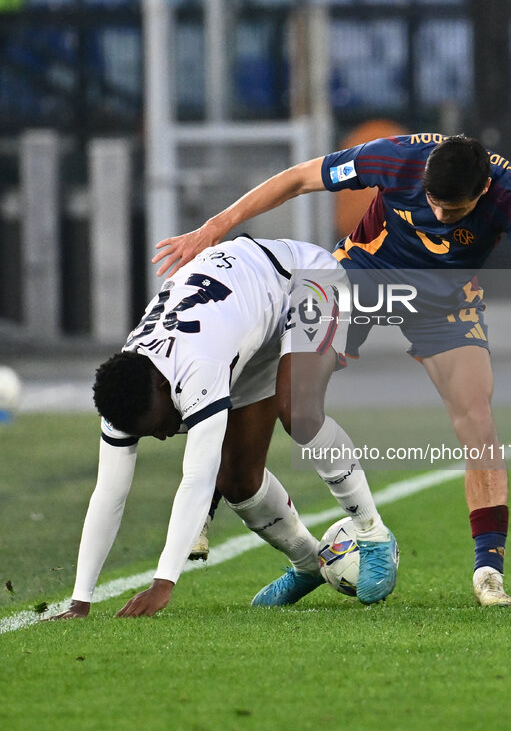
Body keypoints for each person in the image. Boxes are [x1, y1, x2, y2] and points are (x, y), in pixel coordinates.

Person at [151, 134, 511, 608]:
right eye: (433, 203)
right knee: (289, 396)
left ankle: (488, 572)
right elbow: (298, 179)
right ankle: (265, 534)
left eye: (453, 212)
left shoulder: (510, 195)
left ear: (482, 192)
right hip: (357, 279)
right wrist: (217, 225)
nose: (439, 216)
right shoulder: (394, 160)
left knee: (477, 418)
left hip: (444, 301)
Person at [52, 235, 399, 620]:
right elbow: (109, 494)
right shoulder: (122, 389)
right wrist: (79, 601)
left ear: (165, 386)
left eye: (160, 426)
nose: (165, 435)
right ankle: (308, 562)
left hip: (303, 280)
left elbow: (197, 478)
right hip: (246, 323)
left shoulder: (197, 367)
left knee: (298, 412)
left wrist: (163, 583)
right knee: (237, 479)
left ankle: (372, 533)